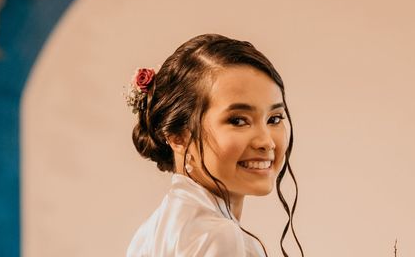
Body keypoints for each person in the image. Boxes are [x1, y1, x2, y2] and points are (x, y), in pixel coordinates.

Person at [125, 34, 304, 257]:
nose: (266, 141)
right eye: (238, 120)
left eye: (274, 119)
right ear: (177, 136)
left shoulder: (148, 234)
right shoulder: (219, 237)